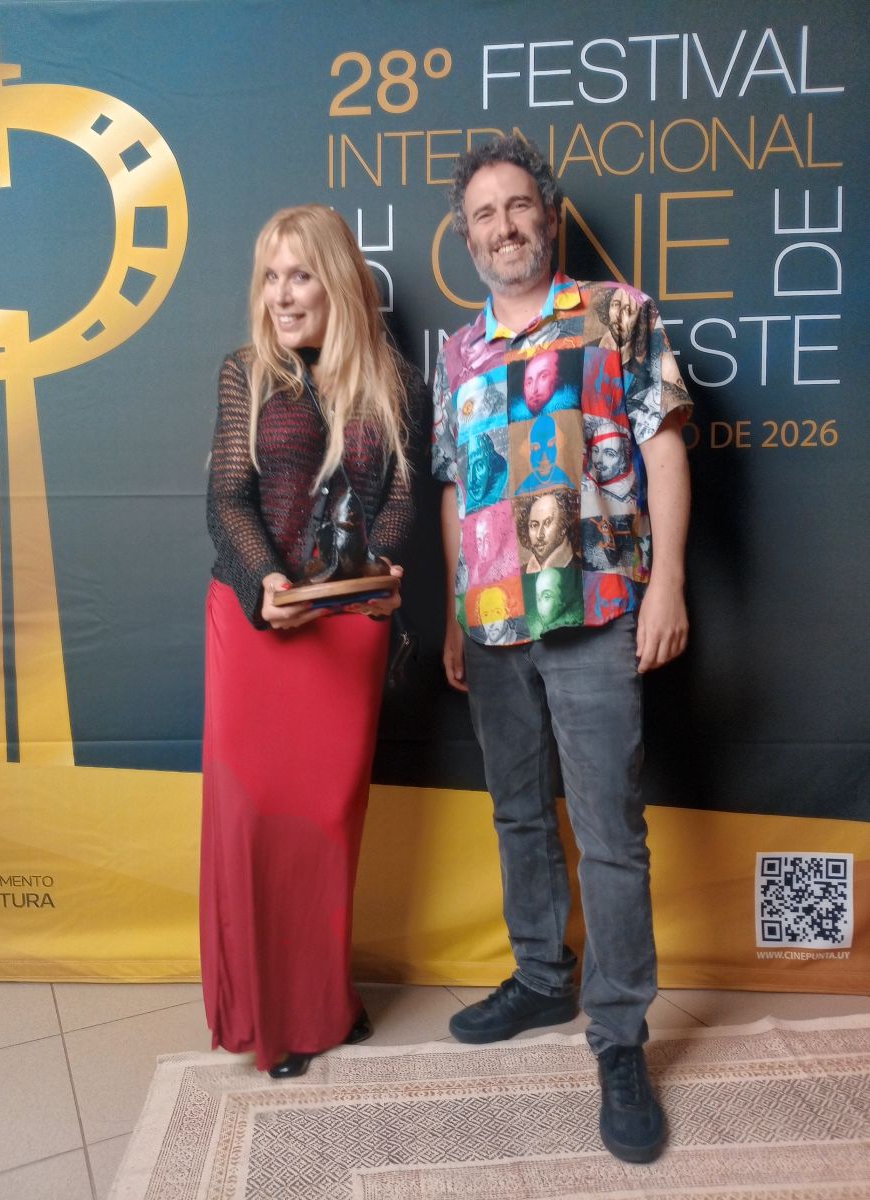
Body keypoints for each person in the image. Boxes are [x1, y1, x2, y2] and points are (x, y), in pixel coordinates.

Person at [432, 136, 692, 1164]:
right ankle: (544, 977)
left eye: (516, 206)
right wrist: (455, 611)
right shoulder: (456, 352)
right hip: (492, 620)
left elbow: (663, 444)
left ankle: (619, 1036)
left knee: (609, 830)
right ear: (467, 237)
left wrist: (667, 583)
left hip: (595, 605)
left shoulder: (617, 313)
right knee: (516, 813)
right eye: (483, 214)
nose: (503, 226)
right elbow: (455, 489)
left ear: (547, 212)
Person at [201, 205, 426, 1080]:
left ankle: (325, 1000)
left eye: (300, 274)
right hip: (256, 622)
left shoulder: (396, 382)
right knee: (257, 822)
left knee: (328, 825)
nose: (283, 295)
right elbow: (228, 498)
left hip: (350, 629)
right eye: (271, 276)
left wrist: (378, 573)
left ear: (337, 281)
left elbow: (401, 498)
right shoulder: (246, 372)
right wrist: (267, 584)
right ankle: (270, 1016)